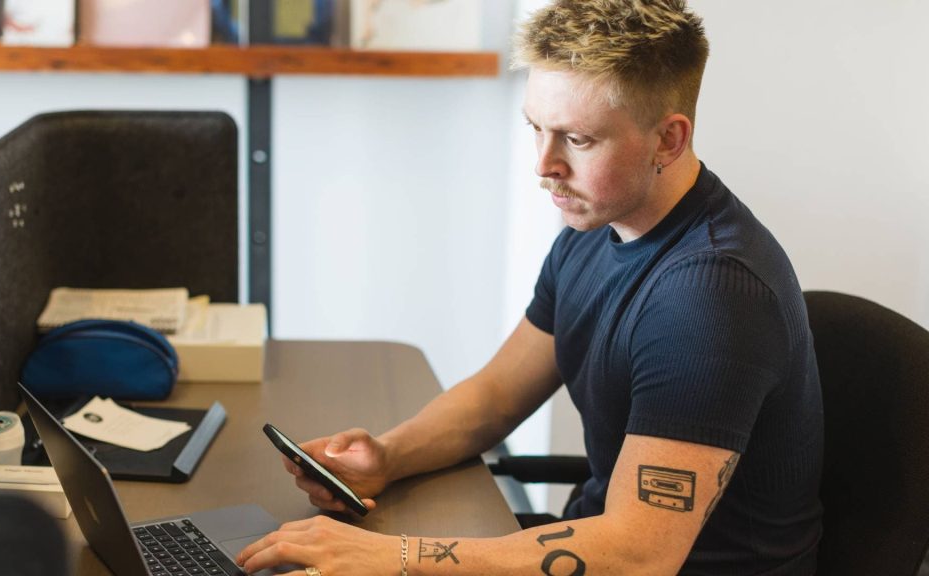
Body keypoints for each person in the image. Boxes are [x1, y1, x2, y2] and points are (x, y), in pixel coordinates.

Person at [237, 0, 824, 574]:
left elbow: (640, 555)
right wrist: (388, 457)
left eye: (579, 139)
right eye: (536, 129)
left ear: (668, 140)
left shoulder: (711, 299)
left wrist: (393, 558)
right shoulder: (598, 221)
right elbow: (496, 395)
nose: (544, 166)